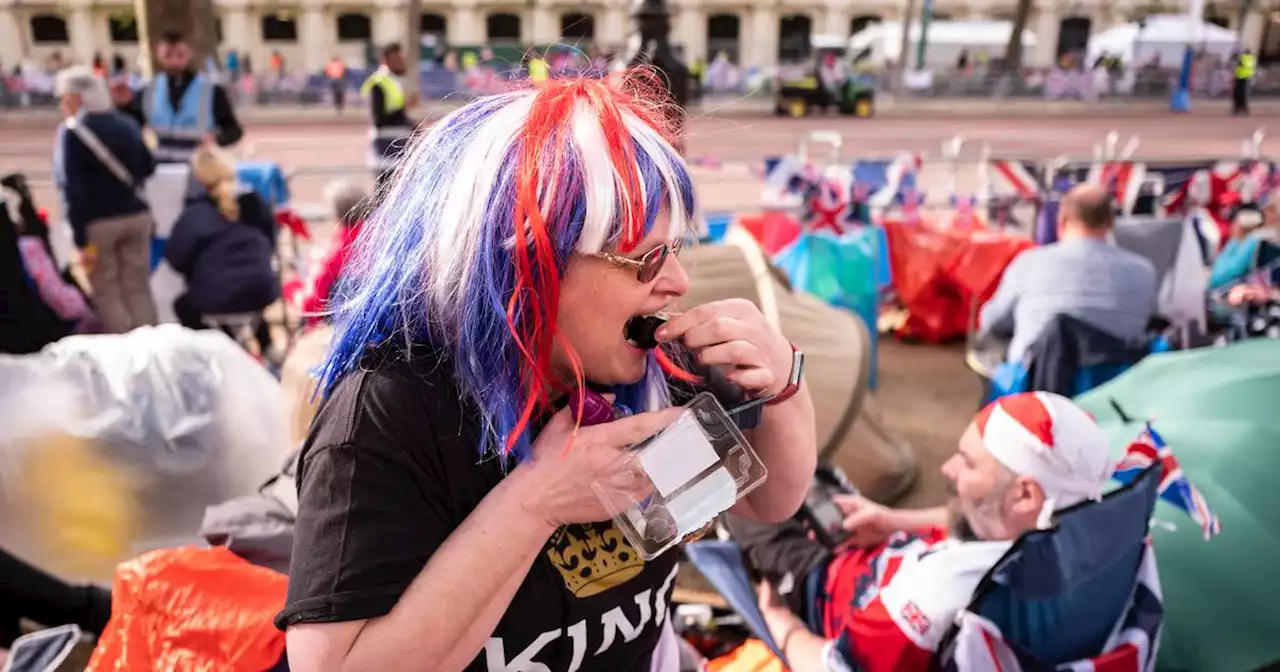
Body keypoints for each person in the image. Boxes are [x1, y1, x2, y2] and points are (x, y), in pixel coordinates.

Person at [277, 76, 817, 672]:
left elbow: (768, 500)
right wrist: (535, 503)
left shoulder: (648, 368)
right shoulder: (392, 409)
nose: (678, 282)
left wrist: (784, 383)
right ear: (530, 261)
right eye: (645, 259)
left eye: (675, 249)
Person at [745, 392, 1119, 670]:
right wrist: (893, 520)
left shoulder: (937, 596)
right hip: (883, 546)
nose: (948, 468)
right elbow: (993, 515)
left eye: (969, 464)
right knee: (808, 470)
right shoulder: (1098, 538)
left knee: (746, 478)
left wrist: (780, 622)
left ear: (1024, 494)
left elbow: (834, 667)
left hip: (825, 580)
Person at [978, 183, 1158, 363]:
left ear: (1061, 221)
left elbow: (992, 322)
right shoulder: (1144, 271)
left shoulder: (1029, 262)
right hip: (1113, 381)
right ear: (1111, 223)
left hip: (1038, 379)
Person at [53, 65, 158, 334]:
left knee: (107, 291)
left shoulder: (72, 132)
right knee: (138, 288)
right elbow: (148, 166)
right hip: (137, 215)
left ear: (77, 97)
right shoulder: (126, 123)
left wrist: (78, 238)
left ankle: (122, 353)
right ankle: (153, 348)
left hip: (98, 223)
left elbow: (70, 189)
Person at [164, 146, 278, 355]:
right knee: (248, 293)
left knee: (185, 306)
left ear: (198, 179)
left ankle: (211, 352)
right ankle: (267, 347)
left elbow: (175, 258)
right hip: (262, 290)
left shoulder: (195, 214)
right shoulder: (254, 203)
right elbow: (271, 242)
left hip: (217, 296)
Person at [128, 32, 244, 164]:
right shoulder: (148, 91)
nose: (174, 60)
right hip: (162, 169)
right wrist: (124, 105)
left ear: (190, 53)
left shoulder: (212, 90)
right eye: (168, 54)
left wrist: (216, 140)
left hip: (201, 168)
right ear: (158, 54)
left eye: (179, 54)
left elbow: (234, 131)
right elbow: (129, 125)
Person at [282, 180, 366, 328]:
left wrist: (291, 288)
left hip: (346, 324)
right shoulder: (386, 238)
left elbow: (310, 306)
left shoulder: (330, 253)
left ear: (335, 214)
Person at [360, 43, 416, 188]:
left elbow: (397, 112)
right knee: (384, 192)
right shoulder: (379, 83)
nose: (402, 61)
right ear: (386, 59)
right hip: (384, 150)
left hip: (397, 147)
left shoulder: (394, 81)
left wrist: (413, 126)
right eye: (398, 57)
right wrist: (402, 114)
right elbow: (378, 119)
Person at [1232, 48, 1255, 116]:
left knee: (1238, 94)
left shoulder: (1243, 58)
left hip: (1241, 77)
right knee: (1243, 94)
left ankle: (1238, 108)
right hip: (1247, 77)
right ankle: (1243, 108)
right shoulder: (1252, 59)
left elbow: (1238, 63)